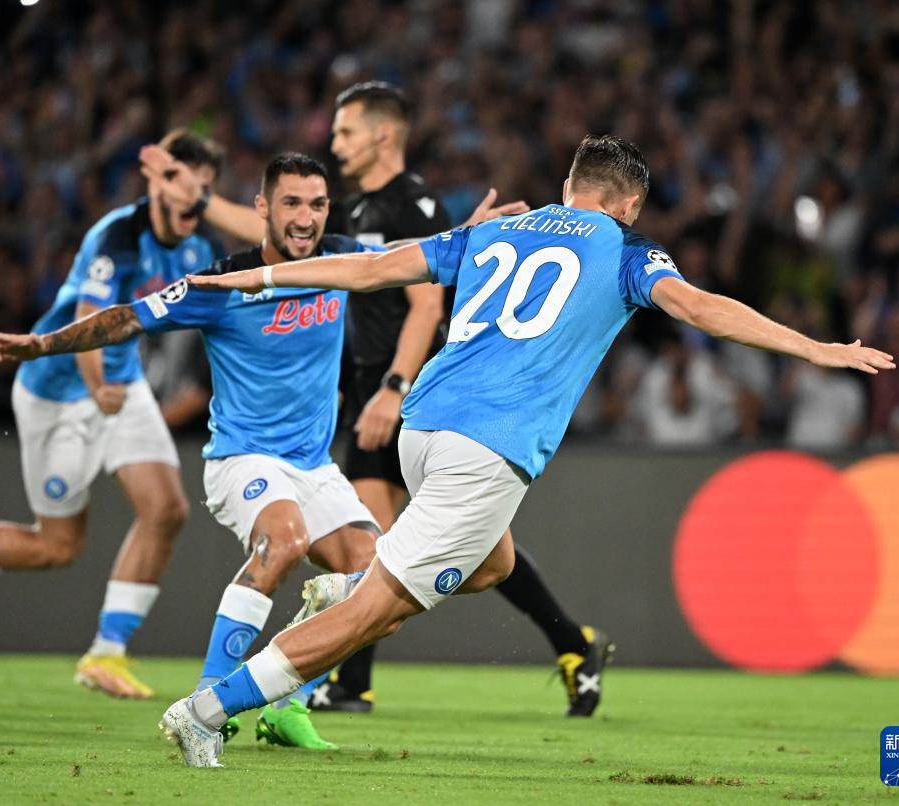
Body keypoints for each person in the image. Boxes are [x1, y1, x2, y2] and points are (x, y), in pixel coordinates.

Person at [154, 133, 893, 767]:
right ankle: (205, 712)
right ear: (629, 205)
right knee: (374, 617)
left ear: (567, 188)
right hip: (487, 447)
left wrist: (258, 275)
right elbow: (700, 308)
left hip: (422, 428)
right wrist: (815, 347)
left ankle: (348, 588)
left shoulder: (495, 230)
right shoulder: (628, 252)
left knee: (495, 564)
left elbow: (373, 269)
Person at [0, 151, 520, 749]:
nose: (306, 217)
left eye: (317, 204)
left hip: (314, 465)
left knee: (369, 575)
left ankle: (287, 707)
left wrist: (469, 232)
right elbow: (127, 318)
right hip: (243, 458)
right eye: (291, 203)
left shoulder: (339, 258)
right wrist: (41, 344)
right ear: (263, 207)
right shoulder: (222, 283)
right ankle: (207, 700)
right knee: (284, 541)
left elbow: (406, 256)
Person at [142, 81, 617, 718]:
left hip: (417, 391)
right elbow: (282, 235)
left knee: (408, 546)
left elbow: (425, 304)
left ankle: (344, 682)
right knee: (463, 548)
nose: (335, 144)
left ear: (382, 134)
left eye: (345, 132)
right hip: (379, 386)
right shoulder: (356, 209)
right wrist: (200, 201)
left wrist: (394, 388)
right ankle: (565, 643)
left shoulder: (411, 203)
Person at [0, 129, 223, 700]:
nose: (193, 199)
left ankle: (107, 652)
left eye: (204, 188)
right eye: (182, 183)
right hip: (61, 391)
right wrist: (97, 388)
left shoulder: (198, 249)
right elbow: (89, 319)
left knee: (166, 509)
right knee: (56, 547)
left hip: (123, 385)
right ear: (158, 183)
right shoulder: (117, 235)